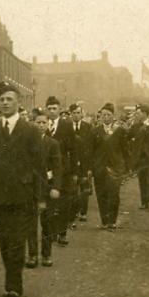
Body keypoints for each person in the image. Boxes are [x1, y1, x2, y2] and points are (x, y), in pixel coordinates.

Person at [0, 81, 46, 297]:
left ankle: (13, 285)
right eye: (2, 100)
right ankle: (12, 278)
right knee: (4, 240)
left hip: (23, 196)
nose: (5, 103)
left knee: (16, 240)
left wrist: (41, 197)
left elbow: (39, 166)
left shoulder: (31, 130)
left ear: (18, 102)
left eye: (9, 99)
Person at [30, 109, 63, 268]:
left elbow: (57, 168)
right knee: (30, 223)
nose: (41, 126)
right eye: (38, 123)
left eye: (44, 123)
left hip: (47, 188)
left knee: (47, 223)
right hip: (29, 188)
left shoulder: (53, 144)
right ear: (33, 124)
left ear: (48, 124)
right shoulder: (26, 142)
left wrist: (56, 187)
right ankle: (32, 255)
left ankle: (46, 254)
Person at [44, 96, 77, 246]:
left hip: (64, 172)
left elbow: (73, 150)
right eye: (49, 109)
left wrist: (75, 172)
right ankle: (50, 233)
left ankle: (62, 233)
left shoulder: (66, 125)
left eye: (54, 108)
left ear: (59, 110)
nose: (51, 111)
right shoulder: (42, 125)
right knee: (49, 205)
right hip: (46, 172)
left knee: (64, 204)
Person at [90, 103, 127, 230]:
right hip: (99, 168)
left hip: (115, 169)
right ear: (100, 116)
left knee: (114, 195)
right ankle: (104, 221)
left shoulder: (120, 131)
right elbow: (91, 151)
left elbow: (125, 150)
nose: (106, 117)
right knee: (101, 195)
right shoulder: (95, 131)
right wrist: (91, 168)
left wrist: (125, 168)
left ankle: (112, 221)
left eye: (108, 115)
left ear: (113, 116)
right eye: (103, 115)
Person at [69, 104, 94, 224]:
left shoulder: (88, 127)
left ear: (82, 114)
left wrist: (89, 167)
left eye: (78, 112)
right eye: (74, 112)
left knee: (84, 188)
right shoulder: (66, 127)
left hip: (85, 162)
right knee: (72, 189)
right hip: (72, 163)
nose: (76, 115)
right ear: (70, 114)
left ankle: (83, 212)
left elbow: (91, 147)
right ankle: (73, 213)